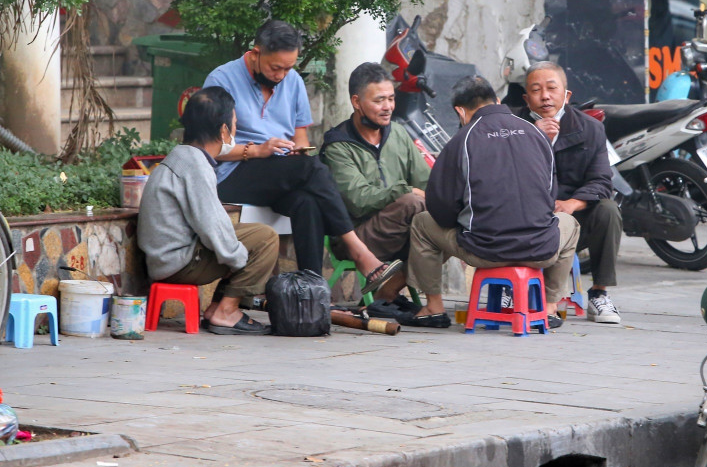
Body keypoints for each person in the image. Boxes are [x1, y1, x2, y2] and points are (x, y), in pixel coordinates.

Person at [203, 20, 401, 298]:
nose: (281, 75)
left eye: (288, 68)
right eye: (275, 68)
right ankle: (358, 250)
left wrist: (298, 151)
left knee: (307, 201)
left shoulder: (293, 81)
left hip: (280, 171)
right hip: (233, 173)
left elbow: (300, 138)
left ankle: (312, 293)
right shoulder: (222, 80)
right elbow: (208, 147)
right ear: (256, 53)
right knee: (312, 168)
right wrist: (257, 150)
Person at [405, 75, 580, 328]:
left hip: (485, 251)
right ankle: (550, 307)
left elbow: (440, 208)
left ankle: (433, 307)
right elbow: (550, 195)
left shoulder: (462, 140)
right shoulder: (536, 133)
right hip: (540, 248)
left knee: (422, 222)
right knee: (569, 223)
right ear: (497, 101)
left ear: (460, 111)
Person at [138, 87, 278, 335]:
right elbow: (211, 225)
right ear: (224, 130)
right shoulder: (195, 166)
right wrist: (240, 260)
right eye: (234, 124)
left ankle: (216, 309)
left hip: (167, 259)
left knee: (245, 239)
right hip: (178, 263)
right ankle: (227, 311)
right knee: (266, 239)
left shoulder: (183, 157)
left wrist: (233, 251)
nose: (235, 130)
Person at [517, 61, 622, 324]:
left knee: (609, 210)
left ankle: (599, 293)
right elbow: (501, 173)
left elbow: (601, 181)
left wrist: (572, 204)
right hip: (524, 220)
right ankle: (515, 288)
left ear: (566, 95)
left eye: (552, 88)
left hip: (573, 219)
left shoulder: (590, 128)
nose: (545, 96)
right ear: (526, 99)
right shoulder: (513, 127)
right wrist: (531, 136)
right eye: (536, 90)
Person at [321, 63, 431, 312]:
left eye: (391, 98)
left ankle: (388, 291)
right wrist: (406, 191)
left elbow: (426, 183)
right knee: (412, 202)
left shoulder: (399, 133)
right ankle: (388, 293)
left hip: (401, 231)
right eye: (379, 100)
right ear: (357, 102)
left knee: (446, 226)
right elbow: (358, 200)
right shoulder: (338, 146)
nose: (388, 107)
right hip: (357, 238)